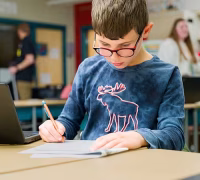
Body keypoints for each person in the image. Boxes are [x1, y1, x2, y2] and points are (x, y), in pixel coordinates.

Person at [39, 0, 185, 151]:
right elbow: (69, 121)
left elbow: (174, 136)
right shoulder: (88, 69)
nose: (114, 58)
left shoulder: (167, 75)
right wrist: (56, 129)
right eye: (104, 45)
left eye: (125, 46)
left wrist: (141, 138)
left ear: (146, 31)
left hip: (142, 168)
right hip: (92, 164)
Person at [9, 23, 36, 100]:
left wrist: (16, 68)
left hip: (24, 79)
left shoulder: (26, 41)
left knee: (25, 102)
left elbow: (30, 59)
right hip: (23, 78)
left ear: (19, 31)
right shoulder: (25, 42)